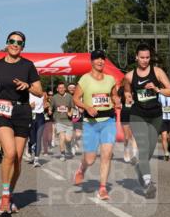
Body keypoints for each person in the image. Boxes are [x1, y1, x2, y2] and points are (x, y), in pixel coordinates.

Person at [0, 31, 42, 215]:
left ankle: (10, 193)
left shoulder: (28, 65)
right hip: (2, 111)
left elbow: (39, 91)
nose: (15, 44)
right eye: (12, 41)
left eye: (19, 42)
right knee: (10, 153)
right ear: (6, 43)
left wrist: (28, 86)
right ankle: (5, 197)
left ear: (23, 47)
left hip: (22, 112)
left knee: (18, 159)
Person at [122, 44, 170, 199]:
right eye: (142, 57)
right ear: (136, 57)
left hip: (155, 116)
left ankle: (140, 168)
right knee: (143, 147)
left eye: (147, 57)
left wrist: (157, 89)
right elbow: (126, 90)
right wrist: (128, 96)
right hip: (138, 115)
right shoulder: (130, 76)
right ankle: (148, 183)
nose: (145, 60)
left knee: (149, 151)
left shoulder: (157, 72)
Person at [72, 50, 121, 201]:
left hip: (108, 121)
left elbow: (113, 95)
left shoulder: (110, 79)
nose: (100, 61)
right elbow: (76, 98)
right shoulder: (85, 79)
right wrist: (87, 107)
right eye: (97, 59)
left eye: (102, 59)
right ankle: (82, 168)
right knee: (91, 159)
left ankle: (102, 188)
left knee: (106, 155)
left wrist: (117, 100)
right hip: (91, 123)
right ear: (91, 61)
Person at [49, 81, 75, 160]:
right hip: (59, 120)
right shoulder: (54, 97)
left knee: (68, 139)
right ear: (57, 89)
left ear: (65, 89)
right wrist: (49, 110)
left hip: (68, 121)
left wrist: (70, 112)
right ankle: (62, 154)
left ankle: (69, 146)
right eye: (59, 88)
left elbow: (72, 107)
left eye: (62, 88)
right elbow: (51, 107)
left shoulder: (69, 97)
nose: (61, 89)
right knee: (61, 137)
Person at [26, 86, 47, 166]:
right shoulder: (27, 94)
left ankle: (36, 159)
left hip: (40, 117)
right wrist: (29, 106)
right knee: (32, 139)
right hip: (30, 117)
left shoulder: (43, 94)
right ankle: (30, 150)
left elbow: (45, 105)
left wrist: (47, 106)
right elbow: (22, 106)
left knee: (38, 138)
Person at [68, 82, 83, 154]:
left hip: (78, 117)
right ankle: (72, 145)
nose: (72, 89)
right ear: (68, 89)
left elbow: (84, 105)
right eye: (70, 88)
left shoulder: (79, 97)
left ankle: (76, 142)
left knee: (78, 134)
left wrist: (82, 108)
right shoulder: (66, 97)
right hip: (68, 118)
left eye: (73, 88)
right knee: (71, 134)